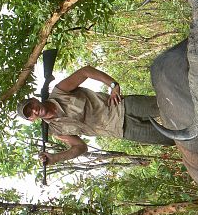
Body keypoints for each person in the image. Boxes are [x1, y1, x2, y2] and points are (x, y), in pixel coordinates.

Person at [17, 65, 175, 166]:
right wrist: (55, 158)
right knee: (172, 139)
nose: (34, 111)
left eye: (31, 106)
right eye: (29, 114)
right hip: (122, 130)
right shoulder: (57, 131)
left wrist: (113, 85)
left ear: (34, 100)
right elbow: (80, 147)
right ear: (32, 119)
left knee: (172, 107)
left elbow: (85, 71)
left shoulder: (60, 91)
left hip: (123, 106)